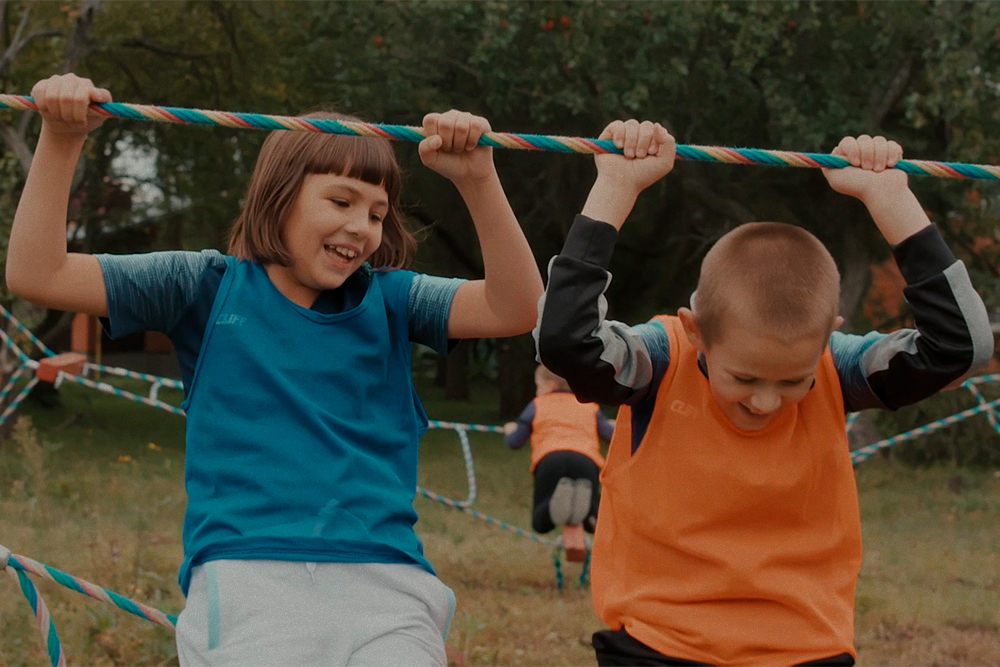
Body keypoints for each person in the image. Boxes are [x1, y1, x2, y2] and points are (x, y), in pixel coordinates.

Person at [6, 73, 543, 667]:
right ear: (280, 195)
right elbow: (38, 273)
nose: (362, 228)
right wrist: (59, 138)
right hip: (248, 578)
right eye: (341, 202)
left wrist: (479, 178)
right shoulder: (204, 289)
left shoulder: (393, 300)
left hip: (387, 584)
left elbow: (516, 307)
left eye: (377, 213)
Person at [535, 119, 993, 666]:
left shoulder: (836, 368)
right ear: (696, 328)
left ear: (826, 338)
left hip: (806, 650)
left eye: (792, 381)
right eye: (746, 378)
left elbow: (959, 348)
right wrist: (615, 187)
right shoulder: (660, 360)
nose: (767, 402)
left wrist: (891, 200)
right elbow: (564, 341)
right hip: (660, 646)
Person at [503, 364, 613, 534]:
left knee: (540, 523)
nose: (537, 391)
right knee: (591, 519)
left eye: (538, 386)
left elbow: (515, 442)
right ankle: (589, 514)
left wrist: (510, 430)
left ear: (551, 385)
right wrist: (615, 427)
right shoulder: (589, 406)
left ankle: (551, 505)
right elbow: (609, 435)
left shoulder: (537, 405)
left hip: (550, 459)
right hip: (586, 461)